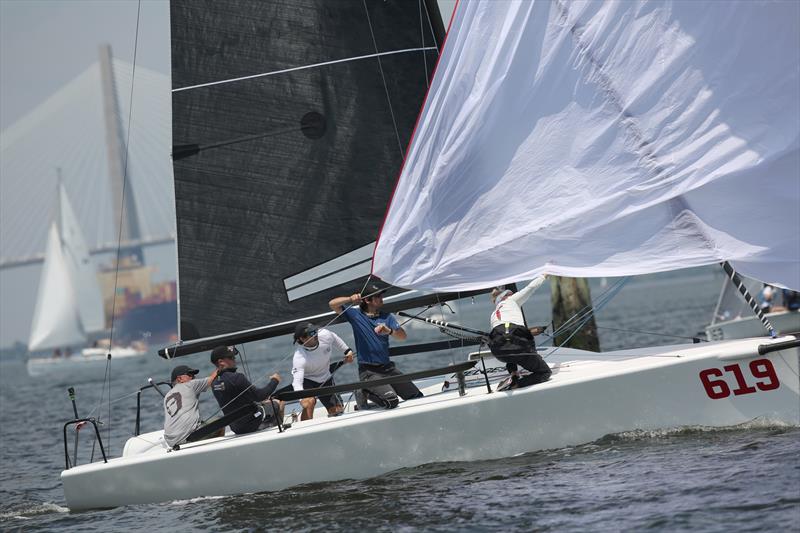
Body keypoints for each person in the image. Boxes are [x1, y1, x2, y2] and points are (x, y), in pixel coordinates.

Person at [329, 282, 423, 409]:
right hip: (369, 372)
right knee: (392, 401)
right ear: (367, 300)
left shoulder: (387, 317)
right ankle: (363, 390)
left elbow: (403, 336)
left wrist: (389, 331)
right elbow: (332, 304)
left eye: (381, 296)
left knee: (417, 397)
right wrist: (350, 299)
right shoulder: (355, 315)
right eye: (377, 296)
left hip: (389, 369)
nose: (381, 298)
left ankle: (376, 391)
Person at [488, 275, 552, 389]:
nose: (513, 295)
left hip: (499, 352)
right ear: (505, 296)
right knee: (545, 372)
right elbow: (530, 288)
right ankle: (516, 384)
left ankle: (513, 374)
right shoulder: (511, 300)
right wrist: (544, 275)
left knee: (508, 347)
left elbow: (505, 337)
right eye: (511, 294)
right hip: (517, 346)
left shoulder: (494, 314)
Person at [209, 345, 283, 434]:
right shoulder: (237, 378)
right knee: (278, 402)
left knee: (264, 405)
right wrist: (274, 380)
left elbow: (237, 401)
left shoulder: (214, 383)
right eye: (231, 357)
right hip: (251, 424)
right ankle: (279, 432)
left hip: (235, 428)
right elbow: (260, 396)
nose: (234, 359)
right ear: (221, 362)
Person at [292, 323, 355, 420]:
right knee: (309, 402)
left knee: (337, 410)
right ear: (302, 339)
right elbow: (297, 383)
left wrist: (347, 351)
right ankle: (306, 429)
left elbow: (334, 337)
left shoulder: (324, 334)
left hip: (325, 377)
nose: (316, 334)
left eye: (315, 331)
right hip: (308, 380)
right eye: (312, 333)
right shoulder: (299, 357)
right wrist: (302, 399)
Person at [163, 364, 219, 448]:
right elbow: (213, 378)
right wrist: (222, 365)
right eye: (190, 375)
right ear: (180, 379)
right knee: (219, 423)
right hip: (187, 438)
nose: (193, 377)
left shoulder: (167, 396)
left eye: (193, 375)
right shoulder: (190, 385)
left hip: (171, 441)